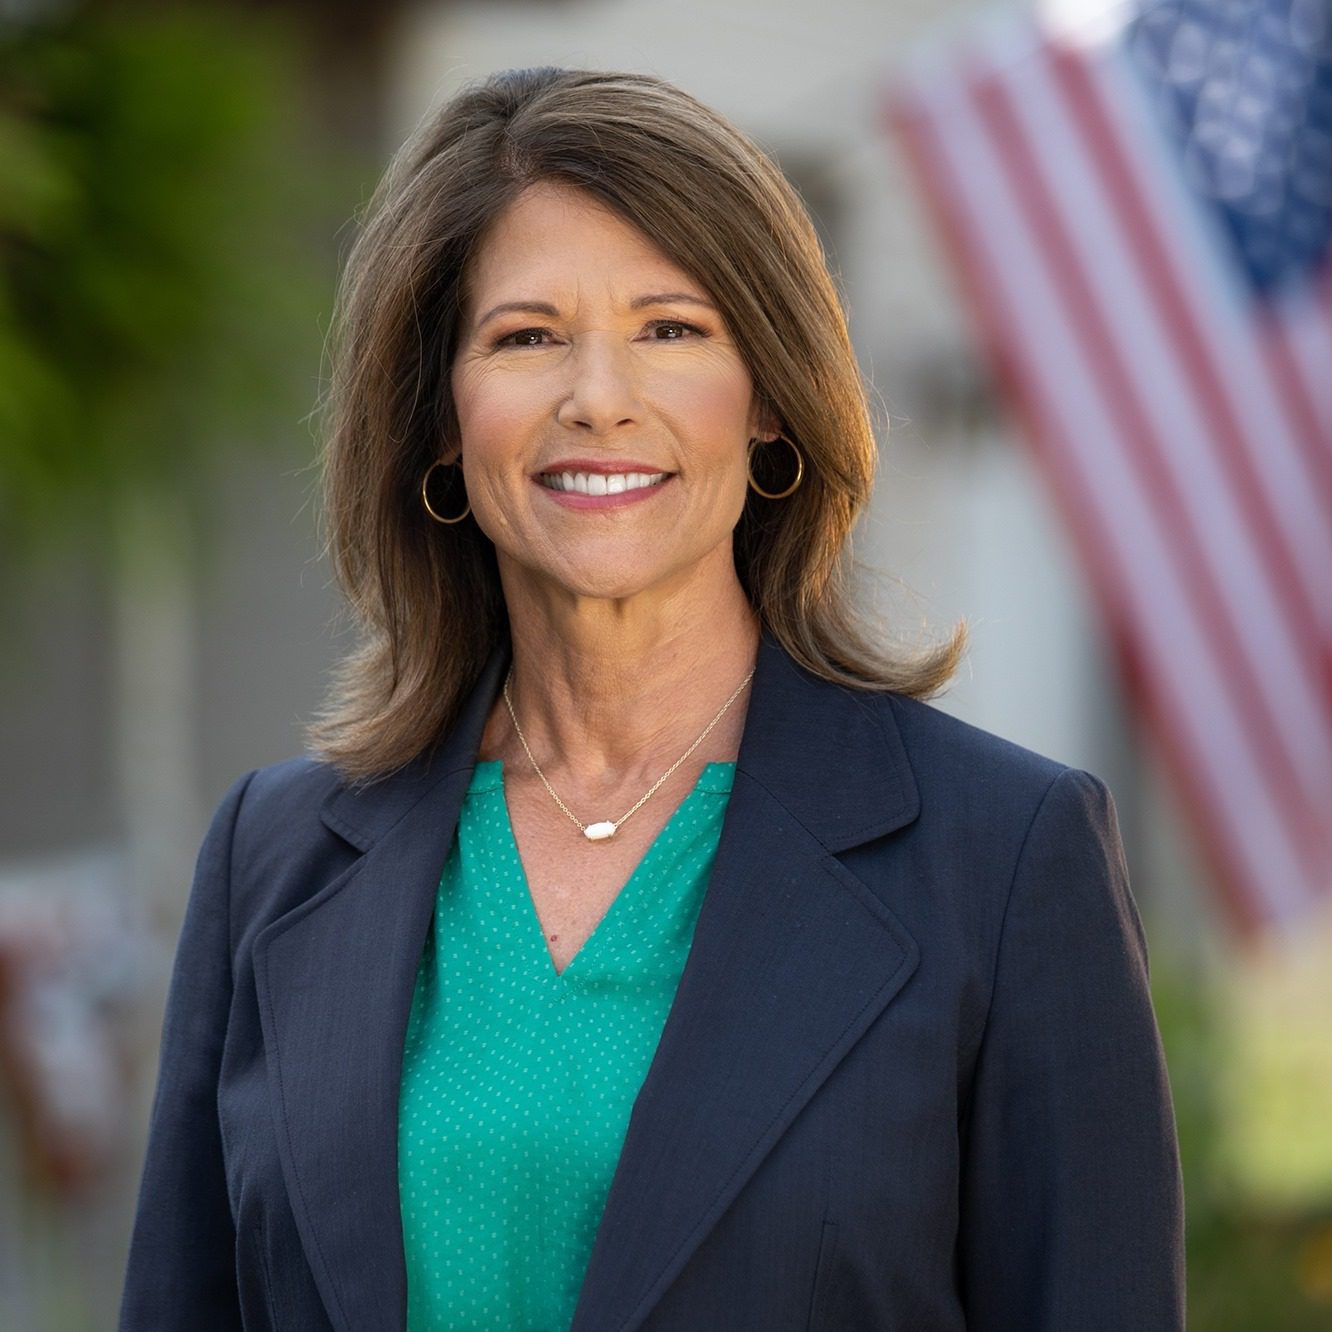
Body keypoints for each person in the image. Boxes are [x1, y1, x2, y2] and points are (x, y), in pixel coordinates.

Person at [118, 66, 1184, 1331]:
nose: (598, 397)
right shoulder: (273, 858)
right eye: (525, 337)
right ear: (440, 423)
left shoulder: (1005, 859)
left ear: (773, 401)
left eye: (671, 329)